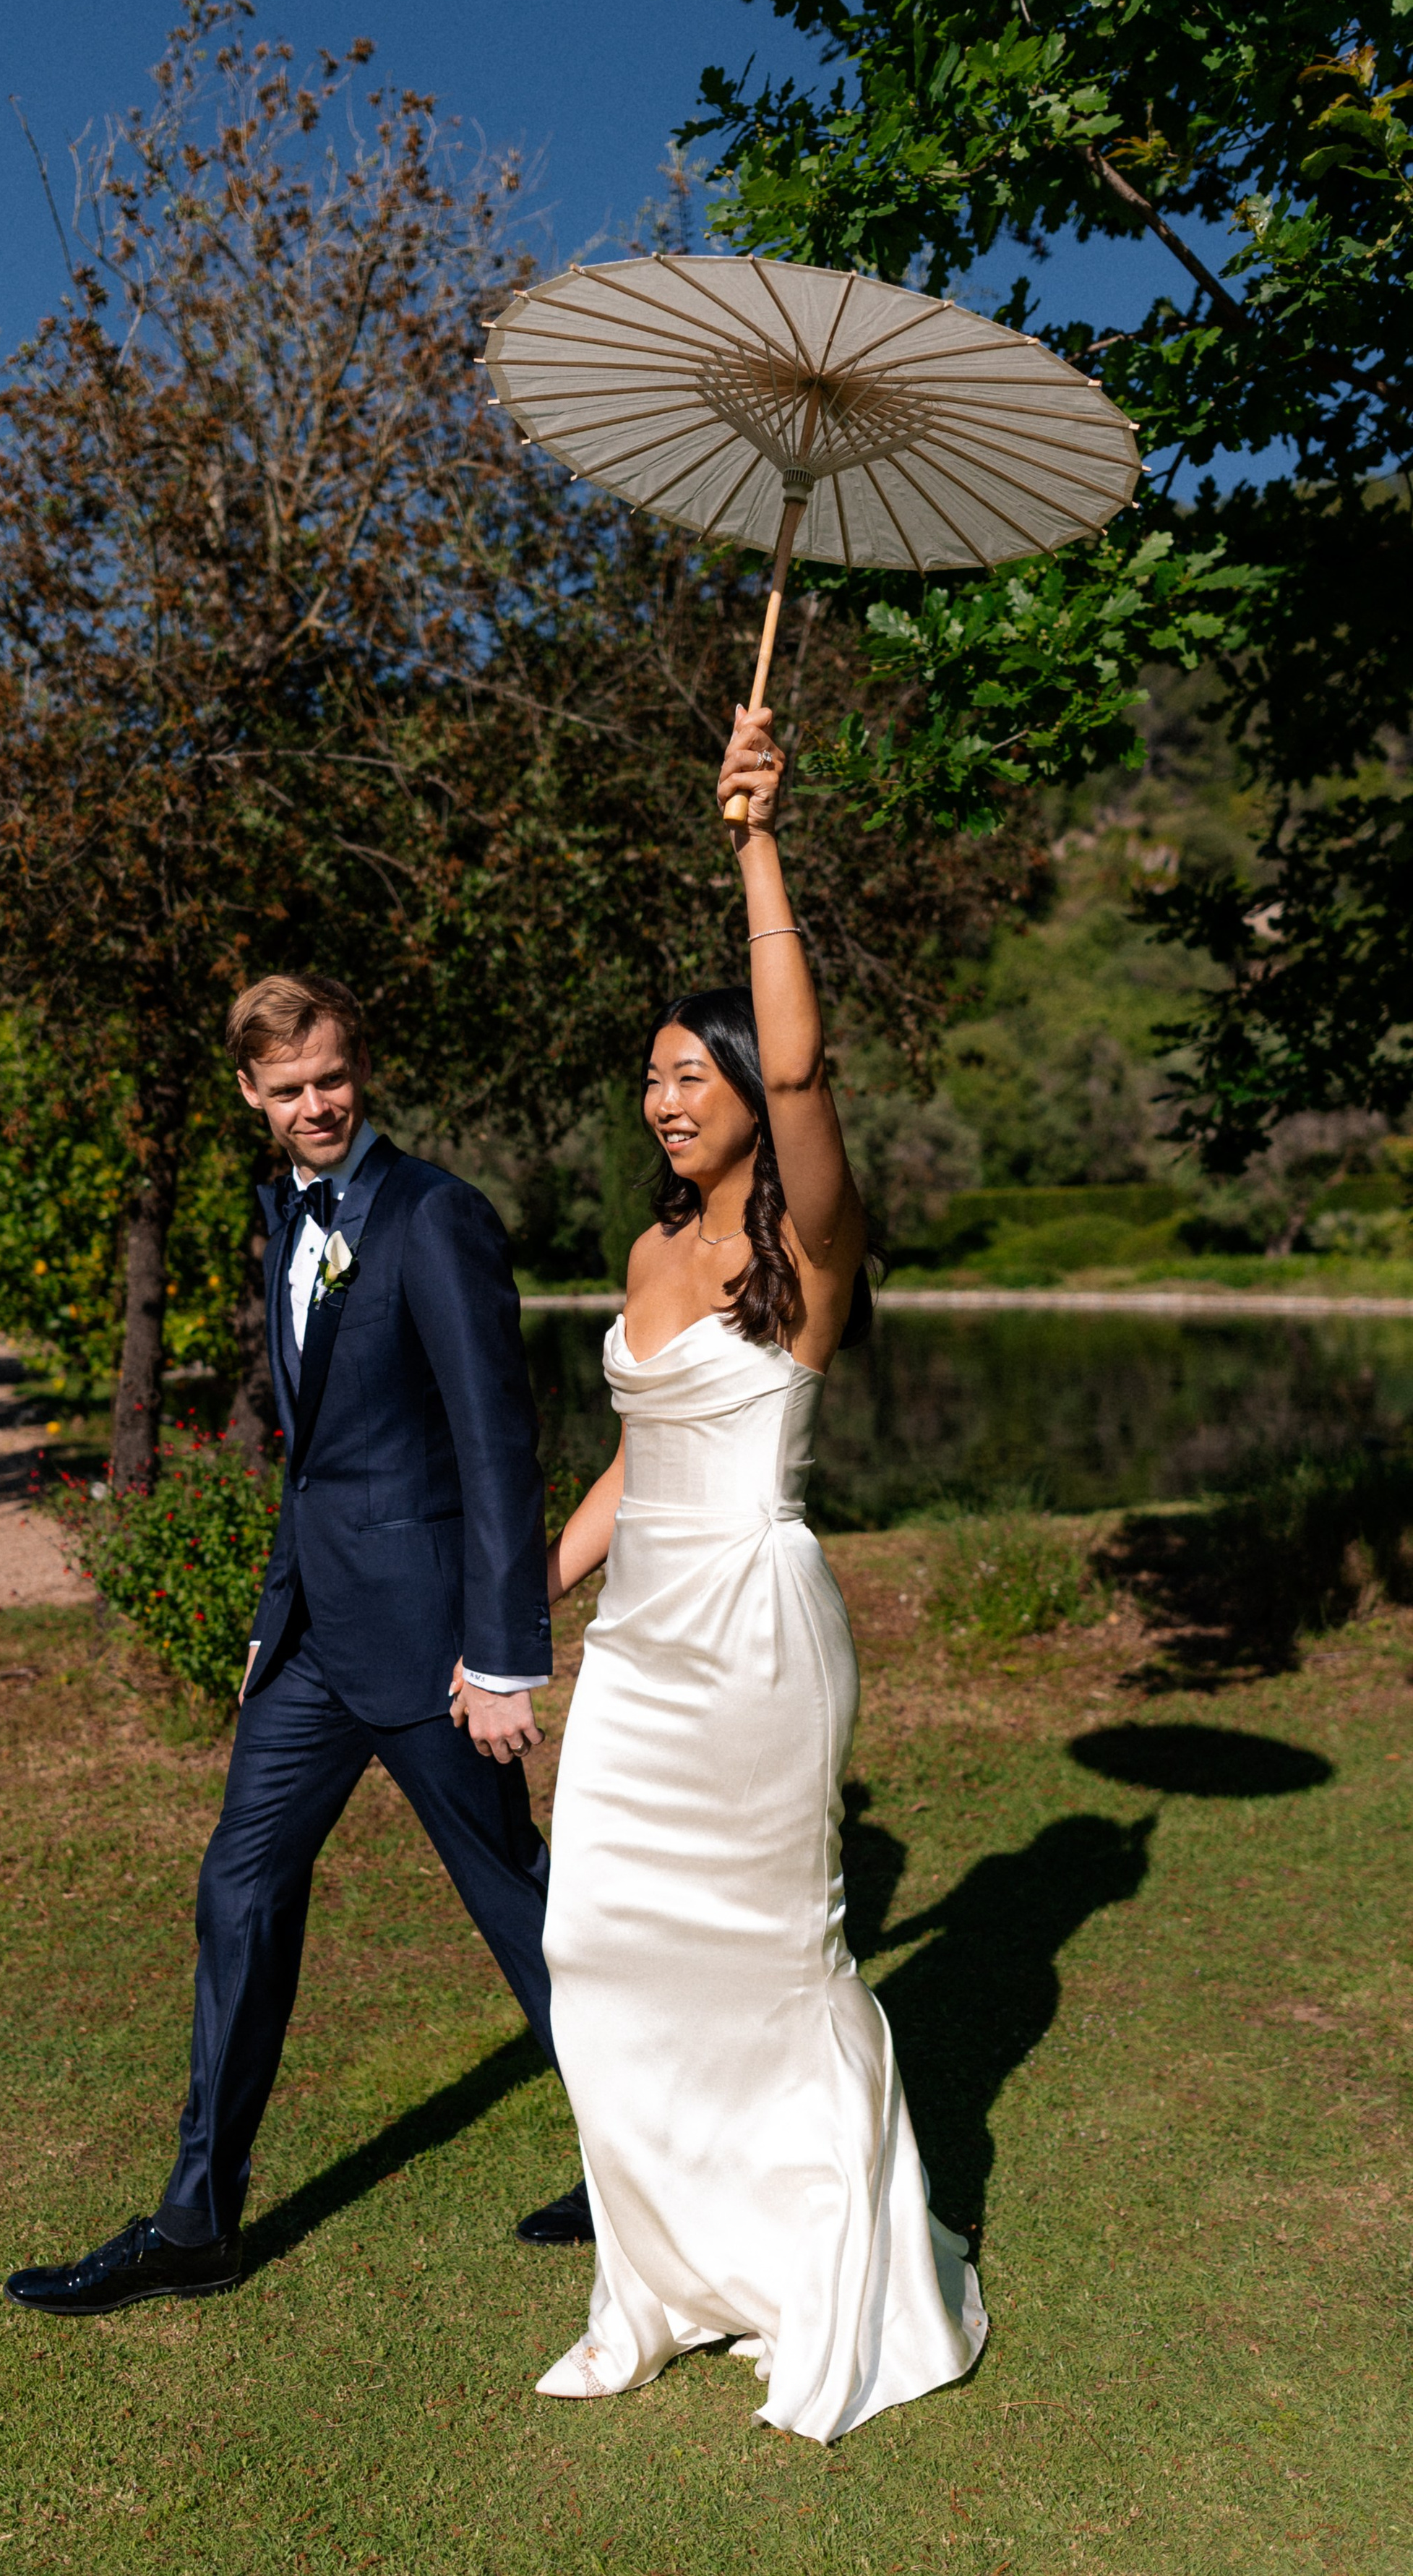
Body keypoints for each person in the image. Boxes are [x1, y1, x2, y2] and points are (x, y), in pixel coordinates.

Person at [531, 707, 988, 2439]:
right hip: (641, 1650)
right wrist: (533, 1595)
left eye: (688, 1070)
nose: (662, 1097)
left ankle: (822, 2276)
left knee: (775, 1961)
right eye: (648, 1073)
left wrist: (752, 842)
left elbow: (807, 1076)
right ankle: (658, 2279)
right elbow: (641, 1456)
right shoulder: (648, 1248)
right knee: (599, 1945)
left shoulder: (806, 1246)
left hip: (757, 1635)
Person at [5, 971, 587, 2319]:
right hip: (317, 1642)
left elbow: (500, 1447)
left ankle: (658, 2176)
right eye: (287, 1090)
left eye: (330, 1076)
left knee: (524, 1912)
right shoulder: (280, 1217)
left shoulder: (436, 1217)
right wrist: (276, 1616)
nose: (315, 1104)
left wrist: (502, 1655)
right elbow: (313, 1451)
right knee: (240, 1888)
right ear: (254, 1101)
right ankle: (199, 2220)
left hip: (437, 1650)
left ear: (356, 1066)